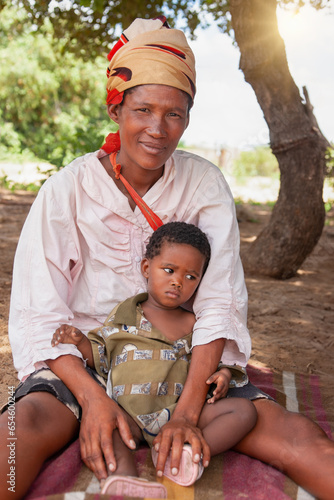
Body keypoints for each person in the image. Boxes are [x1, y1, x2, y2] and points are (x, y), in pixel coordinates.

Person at [0, 15, 333, 500]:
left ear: (188, 119)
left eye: (174, 114)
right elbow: (39, 314)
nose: (157, 128)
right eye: (142, 109)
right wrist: (93, 398)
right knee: (19, 431)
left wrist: (187, 413)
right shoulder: (68, 189)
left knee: (302, 440)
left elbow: (218, 302)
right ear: (116, 109)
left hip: (183, 361)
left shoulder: (204, 184)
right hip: (88, 361)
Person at [51, 221, 257, 497]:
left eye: (191, 277)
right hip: (128, 413)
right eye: (169, 271)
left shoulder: (196, 325)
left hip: (179, 413)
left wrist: (224, 374)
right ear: (147, 268)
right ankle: (123, 477)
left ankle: (186, 454)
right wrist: (79, 341)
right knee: (107, 427)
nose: (178, 282)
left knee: (244, 412)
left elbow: (207, 365)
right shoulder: (124, 318)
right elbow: (99, 355)